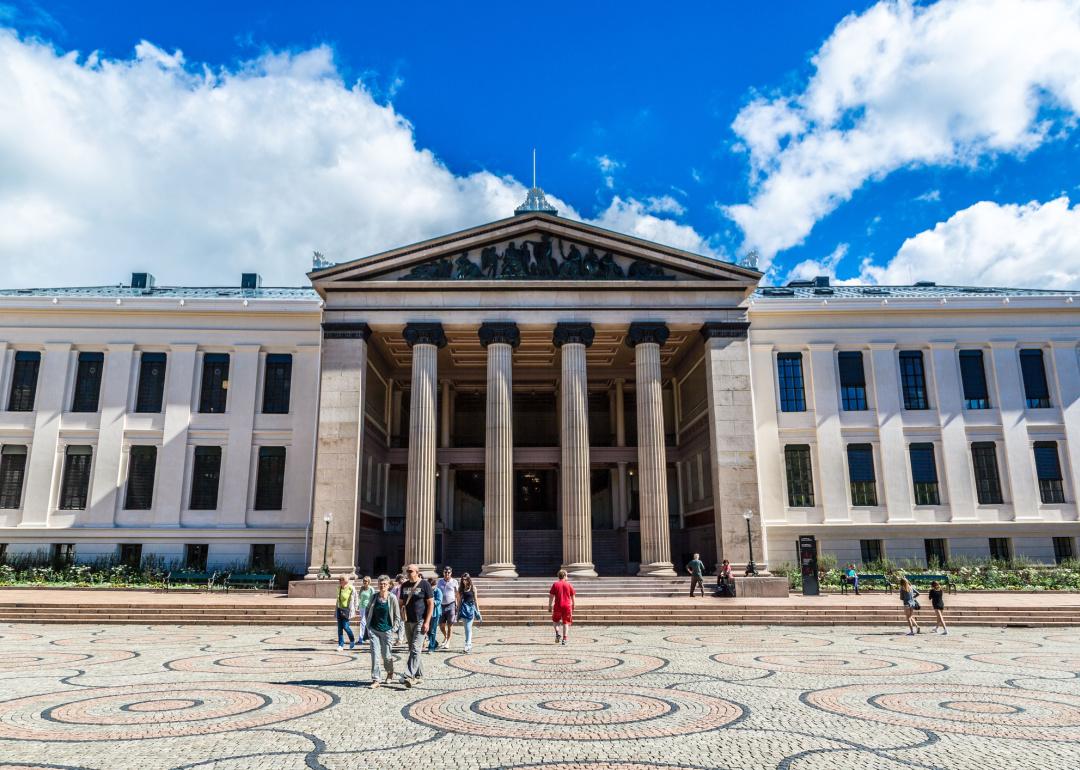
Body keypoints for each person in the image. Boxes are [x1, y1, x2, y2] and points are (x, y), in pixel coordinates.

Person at [398, 563, 434, 687]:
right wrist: (402, 614)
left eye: (411, 571)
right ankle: (419, 675)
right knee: (413, 649)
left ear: (417, 572)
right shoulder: (404, 585)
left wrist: (427, 622)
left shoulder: (425, 584)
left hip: (420, 621)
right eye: (407, 571)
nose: (408, 573)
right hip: (408, 621)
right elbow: (401, 602)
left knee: (415, 648)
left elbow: (430, 604)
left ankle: (408, 675)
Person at [548, 569, 576, 645]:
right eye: (567, 575)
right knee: (565, 623)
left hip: (557, 606)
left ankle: (557, 633)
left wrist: (550, 605)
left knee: (555, 621)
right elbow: (573, 596)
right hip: (567, 606)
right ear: (565, 576)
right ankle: (564, 639)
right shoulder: (569, 585)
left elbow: (551, 596)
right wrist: (574, 604)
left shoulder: (555, 584)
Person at [437, 566, 460, 650]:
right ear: (443, 573)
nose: (447, 574)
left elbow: (457, 594)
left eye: (448, 572)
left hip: (451, 605)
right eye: (445, 572)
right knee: (441, 625)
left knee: (450, 624)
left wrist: (458, 605)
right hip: (441, 605)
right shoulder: (439, 582)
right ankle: (446, 636)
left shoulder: (454, 582)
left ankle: (448, 641)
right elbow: (437, 592)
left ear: (451, 573)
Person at [457, 573, 480, 653]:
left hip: (471, 610)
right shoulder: (461, 589)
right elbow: (459, 601)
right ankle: (468, 644)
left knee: (468, 628)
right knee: (466, 628)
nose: (464, 581)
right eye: (463, 579)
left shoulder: (473, 588)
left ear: (469, 579)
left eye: (466, 579)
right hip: (463, 610)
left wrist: (478, 611)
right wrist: (458, 612)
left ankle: (468, 644)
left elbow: (476, 600)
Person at [334, 576, 358, 652]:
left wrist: (355, 608)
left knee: (346, 626)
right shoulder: (339, 588)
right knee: (339, 628)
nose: (340, 581)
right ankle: (340, 645)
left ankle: (352, 639)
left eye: (341, 580)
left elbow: (356, 598)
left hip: (347, 610)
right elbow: (338, 600)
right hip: (339, 609)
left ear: (346, 580)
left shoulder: (351, 588)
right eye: (340, 580)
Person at [426, 577, 443, 652]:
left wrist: (431, 602)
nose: (431, 587)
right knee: (427, 630)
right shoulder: (427, 591)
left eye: (432, 586)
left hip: (435, 613)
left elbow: (439, 601)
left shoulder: (438, 591)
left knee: (432, 630)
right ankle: (434, 643)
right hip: (427, 613)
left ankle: (431, 647)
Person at [357, 575, 375, 641]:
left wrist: (372, 607)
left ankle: (362, 638)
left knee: (364, 622)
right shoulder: (362, 588)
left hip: (368, 607)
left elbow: (373, 598)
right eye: (364, 581)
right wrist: (358, 605)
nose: (364, 582)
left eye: (366, 581)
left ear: (369, 582)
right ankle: (364, 637)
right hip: (362, 607)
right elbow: (359, 597)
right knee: (363, 622)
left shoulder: (371, 589)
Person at [391, 574, 406, 646]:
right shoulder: (396, 588)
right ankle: (400, 638)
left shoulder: (406, 587)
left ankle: (400, 639)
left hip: (405, 607)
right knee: (399, 623)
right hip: (397, 607)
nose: (403, 580)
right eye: (401, 579)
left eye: (403, 579)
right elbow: (392, 596)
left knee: (402, 624)